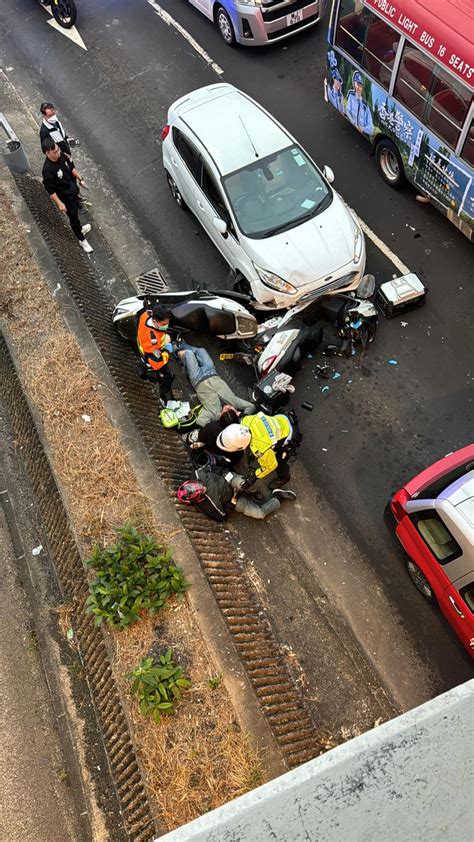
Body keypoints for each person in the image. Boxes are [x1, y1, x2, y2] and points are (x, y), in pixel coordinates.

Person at [177, 465, 295, 523]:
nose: (203, 487)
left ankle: (251, 492)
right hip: (232, 498)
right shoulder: (207, 506)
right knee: (259, 513)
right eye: (202, 490)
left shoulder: (197, 475)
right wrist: (232, 503)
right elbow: (221, 517)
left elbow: (211, 467)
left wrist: (225, 473)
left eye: (200, 484)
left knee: (247, 483)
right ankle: (278, 497)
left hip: (229, 480)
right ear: (198, 498)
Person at [177, 343, 255, 427]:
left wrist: (219, 423)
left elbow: (200, 421)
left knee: (189, 353)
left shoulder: (213, 414)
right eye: (231, 410)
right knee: (201, 351)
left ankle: (180, 351)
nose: (228, 408)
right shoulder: (235, 403)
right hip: (211, 372)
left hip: (197, 379)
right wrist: (239, 414)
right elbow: (251, 407)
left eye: (226, 411)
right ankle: (181, 345)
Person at [217, 411, 302, 487]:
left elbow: (271, 466)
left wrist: (254, 477)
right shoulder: (246, 420)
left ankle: (284, 478)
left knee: (280, 462)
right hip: (282, 420)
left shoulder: (260, 449)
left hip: (289, 434)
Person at [41, 138, 93, 253]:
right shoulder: (47, 171)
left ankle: (80, 229)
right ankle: (81, 239)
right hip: (65, 197)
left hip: (72, 189)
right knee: (73, 217)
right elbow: (50, 191)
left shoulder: (62, 156)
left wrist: (80, 179)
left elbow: (71, 168)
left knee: (76, 213)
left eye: (58, 150)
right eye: (54, 152)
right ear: (47, 153)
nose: (58, 153)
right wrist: (60, 203)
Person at [136, 304, 175, 402]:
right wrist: (166, 350)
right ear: (154, 321)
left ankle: (143, 372)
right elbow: (157, 362)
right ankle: (164, 395)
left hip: (144, 346)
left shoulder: (146, 314)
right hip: (150, 354)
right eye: (163, 324)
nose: (166, 326)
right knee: (168, 375)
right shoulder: (152, 341)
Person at [345, 71, 374, 136]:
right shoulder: (351, 97)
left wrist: (362, 129)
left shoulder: (365, 106)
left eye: (360, 86)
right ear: (354, 84)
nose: (358, 88)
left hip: (361, 135)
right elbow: (347, 110)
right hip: (351, 129)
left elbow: (371, 130)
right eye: (357, 84)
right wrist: (354, 124)